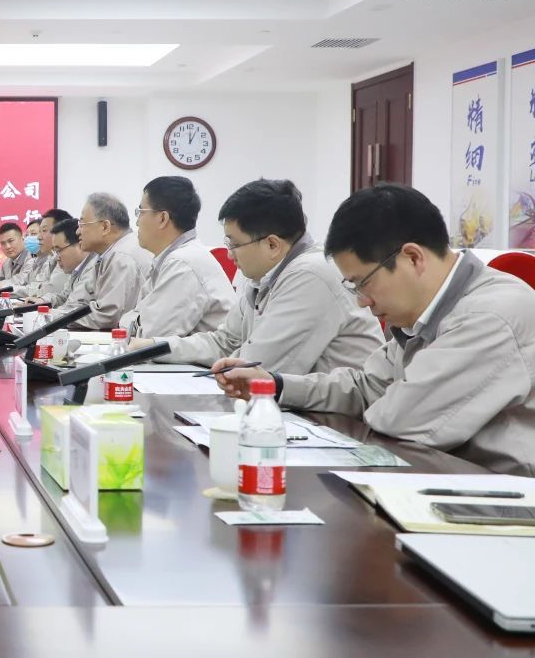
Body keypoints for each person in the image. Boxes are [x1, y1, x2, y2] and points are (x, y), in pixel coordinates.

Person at [212, 184, 535, 476]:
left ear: (412, 258)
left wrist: (373, 403)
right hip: (439, 479)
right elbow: (368, 386)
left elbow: (399, 421)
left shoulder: (488, 316)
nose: (362, 301)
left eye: (363, 282)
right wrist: (277, 385)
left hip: (503, 503)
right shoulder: (426, 313)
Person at [133, 178, 382, 373]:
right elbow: (224, 341)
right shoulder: (265, 276)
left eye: (234, 245)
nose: (229, 255)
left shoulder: (311, 274)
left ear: (272, 245)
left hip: (336, 419)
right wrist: (154, 347)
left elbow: (259, 366)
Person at [120, 176, 234, 338]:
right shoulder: (173, 258)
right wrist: (136, 320)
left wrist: (131, 321)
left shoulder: (183, 263)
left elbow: (151, 336)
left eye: (141, 212)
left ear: (162, 218)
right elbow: (141, 321)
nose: (137, 222)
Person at [52, 192, 143, 330]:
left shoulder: (121, 256)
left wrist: (53, 318)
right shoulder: (105, 255)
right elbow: (82, 301)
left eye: (82, 224)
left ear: (105, 227)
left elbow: (106, 316)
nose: (77, 232)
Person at [13, 208, 73, 298]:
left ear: (60, 232)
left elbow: (49, 291)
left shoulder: (67, 258)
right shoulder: (52, 258)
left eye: (44, 231)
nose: (39, 237)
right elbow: (34, 287)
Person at [42, 217, 92, 308]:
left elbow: (73, 308)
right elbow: (64, 297)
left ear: (80, 244)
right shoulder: (77, 270)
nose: (57, 258)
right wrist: (42, 301)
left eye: (58, 250)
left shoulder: (92, 269)